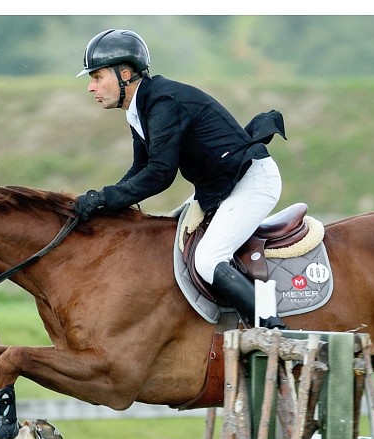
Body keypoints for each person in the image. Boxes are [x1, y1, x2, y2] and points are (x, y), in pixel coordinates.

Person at [73, 28, 287, 328]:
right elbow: (140, 168)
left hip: (250, 181)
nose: (91, 88)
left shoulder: (163, 104)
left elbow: (160, 175)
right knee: (170, 242)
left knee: (208, 259)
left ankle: (273, 328)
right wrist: (103, 201)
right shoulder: (140, 108)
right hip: (219, 186)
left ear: (124, 74)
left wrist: (105, 198)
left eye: (96, 77)